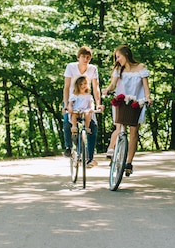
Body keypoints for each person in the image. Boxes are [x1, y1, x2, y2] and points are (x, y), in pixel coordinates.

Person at [102, 45, 152, 176]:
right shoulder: (119, 69)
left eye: (118, 56)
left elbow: (146, 87)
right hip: (122, 101)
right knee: (119, 128)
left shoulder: (141, 68)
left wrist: (148, 98)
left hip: (136, 102)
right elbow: (113, 85)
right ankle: (111, 150)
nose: (117, 60)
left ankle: (129, 162)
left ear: (126, 54)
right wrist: (108, 90)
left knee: (134, 132)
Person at [63, 46, 103, 167]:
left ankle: (89, 158)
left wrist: (98, 103)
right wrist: (66, 104)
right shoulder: (71, 67)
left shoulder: (92, 69)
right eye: (83, 57)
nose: (85, 59)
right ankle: (68, 147)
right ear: (78, 57)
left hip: (86, 101)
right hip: (72, 99)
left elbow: (96, 88)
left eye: (88, 57)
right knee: (67, 122)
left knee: (93, 126)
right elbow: (66, 86)